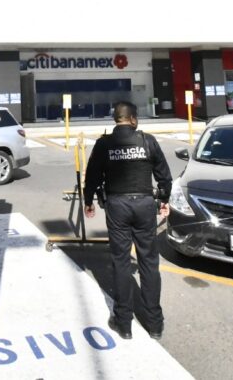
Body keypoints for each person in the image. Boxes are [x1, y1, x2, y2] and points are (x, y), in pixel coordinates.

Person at [83, 101, 172, 340]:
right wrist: (164, 199)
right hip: (144, 205)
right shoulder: (147, 141)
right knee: (149, 262)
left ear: (116, 119)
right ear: (133, 119)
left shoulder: (104, 144)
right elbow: (164, 176)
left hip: (117, 206)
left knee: (121, 261)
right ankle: (155, 324)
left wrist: (88, 200)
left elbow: (92, 175)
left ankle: (123, 324)